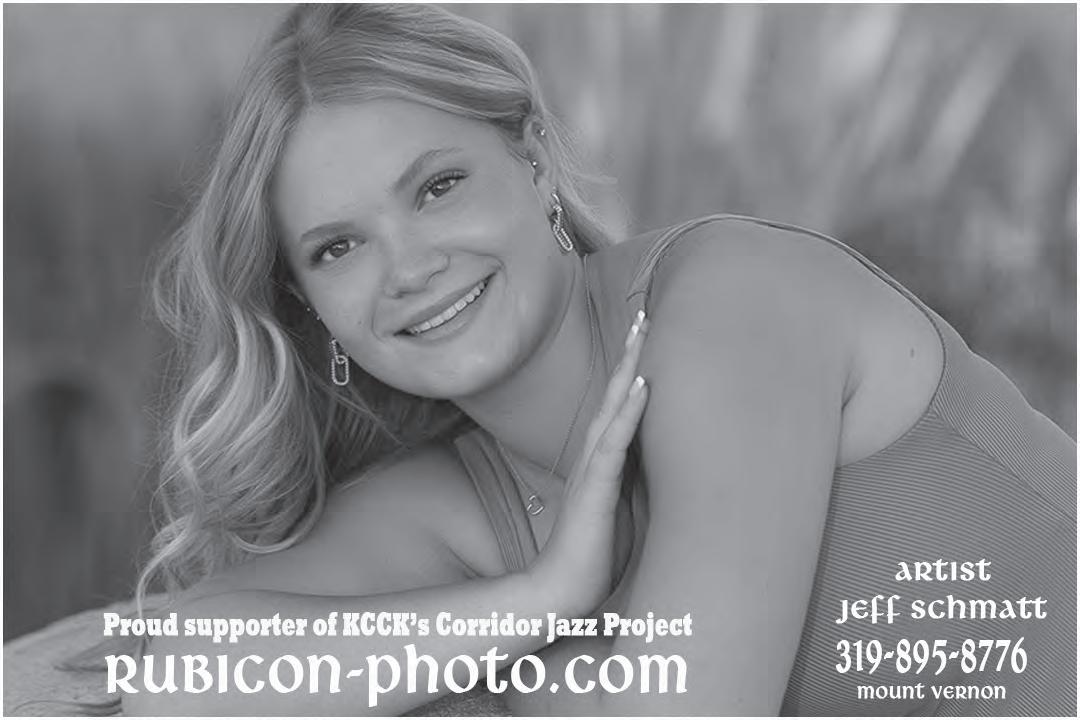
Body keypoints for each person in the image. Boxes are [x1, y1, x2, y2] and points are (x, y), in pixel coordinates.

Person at [121, 4, 1075, 716]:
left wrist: (538, 671)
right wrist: (539, 601)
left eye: (438, 187)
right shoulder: (454, 502)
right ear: (310, 307)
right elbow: (181, 683)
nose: (407, 269)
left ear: (534, 160)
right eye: (339, 248)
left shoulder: (732, 305)